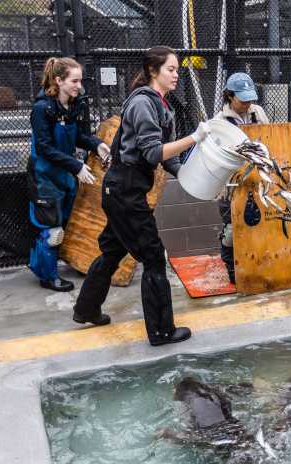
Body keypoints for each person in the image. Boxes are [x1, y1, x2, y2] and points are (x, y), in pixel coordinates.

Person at [72, 46, 211, 346]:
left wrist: (190, 177)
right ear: (153, 71)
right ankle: (161, 332)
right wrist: (194, 138)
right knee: (153, 257)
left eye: (177, 69)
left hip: (123, 190)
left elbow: (167, 157)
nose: (176, 74)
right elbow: (152, 152)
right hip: (125, 193)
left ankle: (86, 309)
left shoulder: (161, 104)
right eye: (171, 69)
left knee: (112, 252)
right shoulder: (143, 104)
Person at [28, 57, 111, 292]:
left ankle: (52, 264)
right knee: (52, 230)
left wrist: (96, 145)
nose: (79, 85)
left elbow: (77, 136)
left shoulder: (74, 105)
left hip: (64, 175)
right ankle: (48, 275)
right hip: (45, 176)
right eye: (74, 81)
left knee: (65, 225)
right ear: (58, 80)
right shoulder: (42, 108)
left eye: (80, 80)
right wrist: (76, 166)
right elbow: (44, 148)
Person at [214, 72, 269, 283]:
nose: (247, 103)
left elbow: (268, 137)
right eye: (242, 98)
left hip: (257, 180)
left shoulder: (258, 112)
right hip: (231, 183)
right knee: (231, 230)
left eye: (250, 98)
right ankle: (231, 266)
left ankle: (257, 264)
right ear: (229, 96)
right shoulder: (220, 121)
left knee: (261, 224)